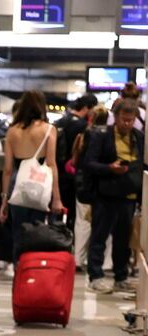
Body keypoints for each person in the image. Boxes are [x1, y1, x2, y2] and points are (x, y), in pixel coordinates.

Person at [83, 99, 143, 294]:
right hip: (105, 194)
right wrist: (109, 168)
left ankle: (121, 276)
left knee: (123, 239)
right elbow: (89, 163)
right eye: (124, 120)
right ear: (115, 118)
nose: (127, 124)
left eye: (130, 120)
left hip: (129, 195)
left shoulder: (139, 137)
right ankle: (96, 276)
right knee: (99, 235)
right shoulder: (101, 136)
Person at [0, 90, 66, 259]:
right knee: (38, 233)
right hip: (39, 182)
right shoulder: (49, 129)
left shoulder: (12, 131)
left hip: (17, 182)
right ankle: (34, 275)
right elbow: (51, 164)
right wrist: (57, 198)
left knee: (19, 235)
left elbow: (7, 169)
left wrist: (4, 201)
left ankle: (19, 274)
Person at [54, 93, 99, 232]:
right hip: (74, 175)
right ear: (87, 108)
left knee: (58, 210)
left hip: (58, 172)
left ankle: (56, 237)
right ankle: (69, 237)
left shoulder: (59, 122)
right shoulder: (83, 126)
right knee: (73, 212)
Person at [72, 106, 109, 271]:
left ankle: (78, 259)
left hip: (84, 184)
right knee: (104, 224)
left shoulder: (83, 136)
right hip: (104, 185)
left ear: (91, 117)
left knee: (82, 222)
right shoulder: (109, 137)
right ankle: (106, 262)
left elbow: (75, 161)